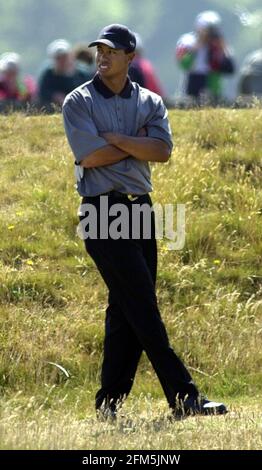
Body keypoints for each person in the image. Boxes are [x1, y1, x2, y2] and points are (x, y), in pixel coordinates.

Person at [62, 23, 227, 420]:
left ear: (130, 57)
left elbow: (162, 151)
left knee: (125, 308)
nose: (102, 56)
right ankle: (185, 397)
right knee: (142, 306)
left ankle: (109, 403)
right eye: (99, 50)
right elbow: (89, 157)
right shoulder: (78, 101)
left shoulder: (151, 101)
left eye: (112, 51)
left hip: (141, 210)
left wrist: (113, 138)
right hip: (101, 211)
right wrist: (134, 142)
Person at [176, 11, 235, 104]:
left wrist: (222, 48)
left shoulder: (218, 44)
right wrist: (197, 46)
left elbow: (230, 69)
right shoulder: (188, 41)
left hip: (214, 84)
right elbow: (184, 64)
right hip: (193, 83)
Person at [38, 39, 91, 111]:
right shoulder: (48, 75)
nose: (62, 61)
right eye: (58, 58)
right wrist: (54, 96)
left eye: (64, 57)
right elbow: (42, 93)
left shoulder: (82, 74)